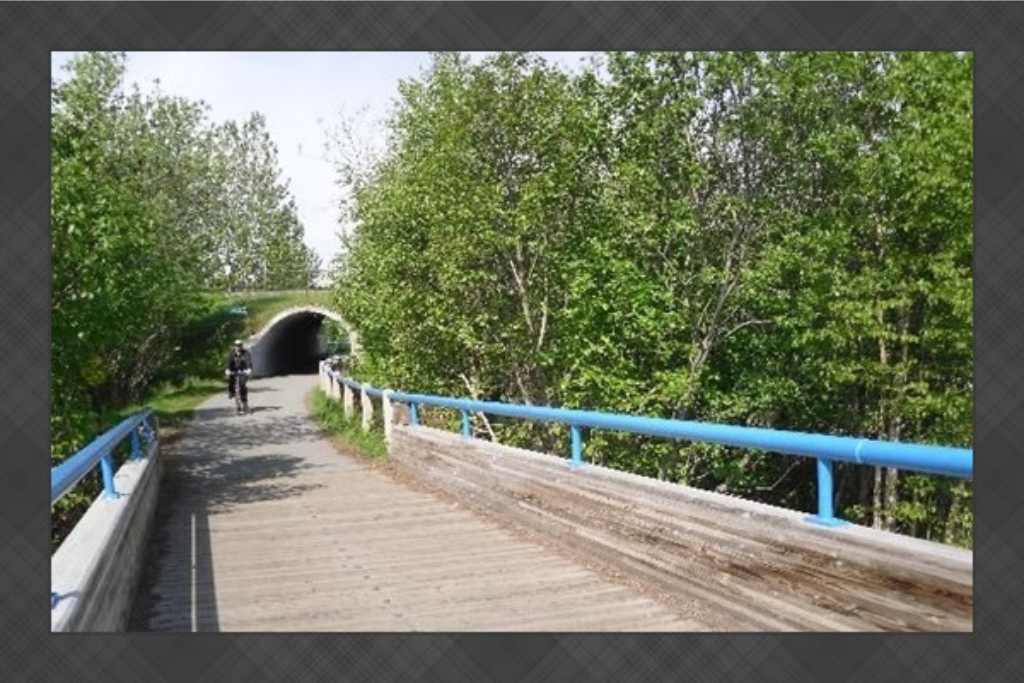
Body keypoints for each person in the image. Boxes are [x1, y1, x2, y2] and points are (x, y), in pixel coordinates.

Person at [225, 339, 253, 414]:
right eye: (236, 345)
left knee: (242, 385)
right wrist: (227, 369)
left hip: (243, 371)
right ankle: (231, 392)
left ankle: (245, 404)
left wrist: (249, 369)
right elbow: (229, 362)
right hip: (234, 371)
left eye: (239, 345)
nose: (238, 347)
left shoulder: (246, 353)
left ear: (242, 345)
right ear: (234, 346)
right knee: (230, 380)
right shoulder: (231, 353)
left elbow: (248, 361)